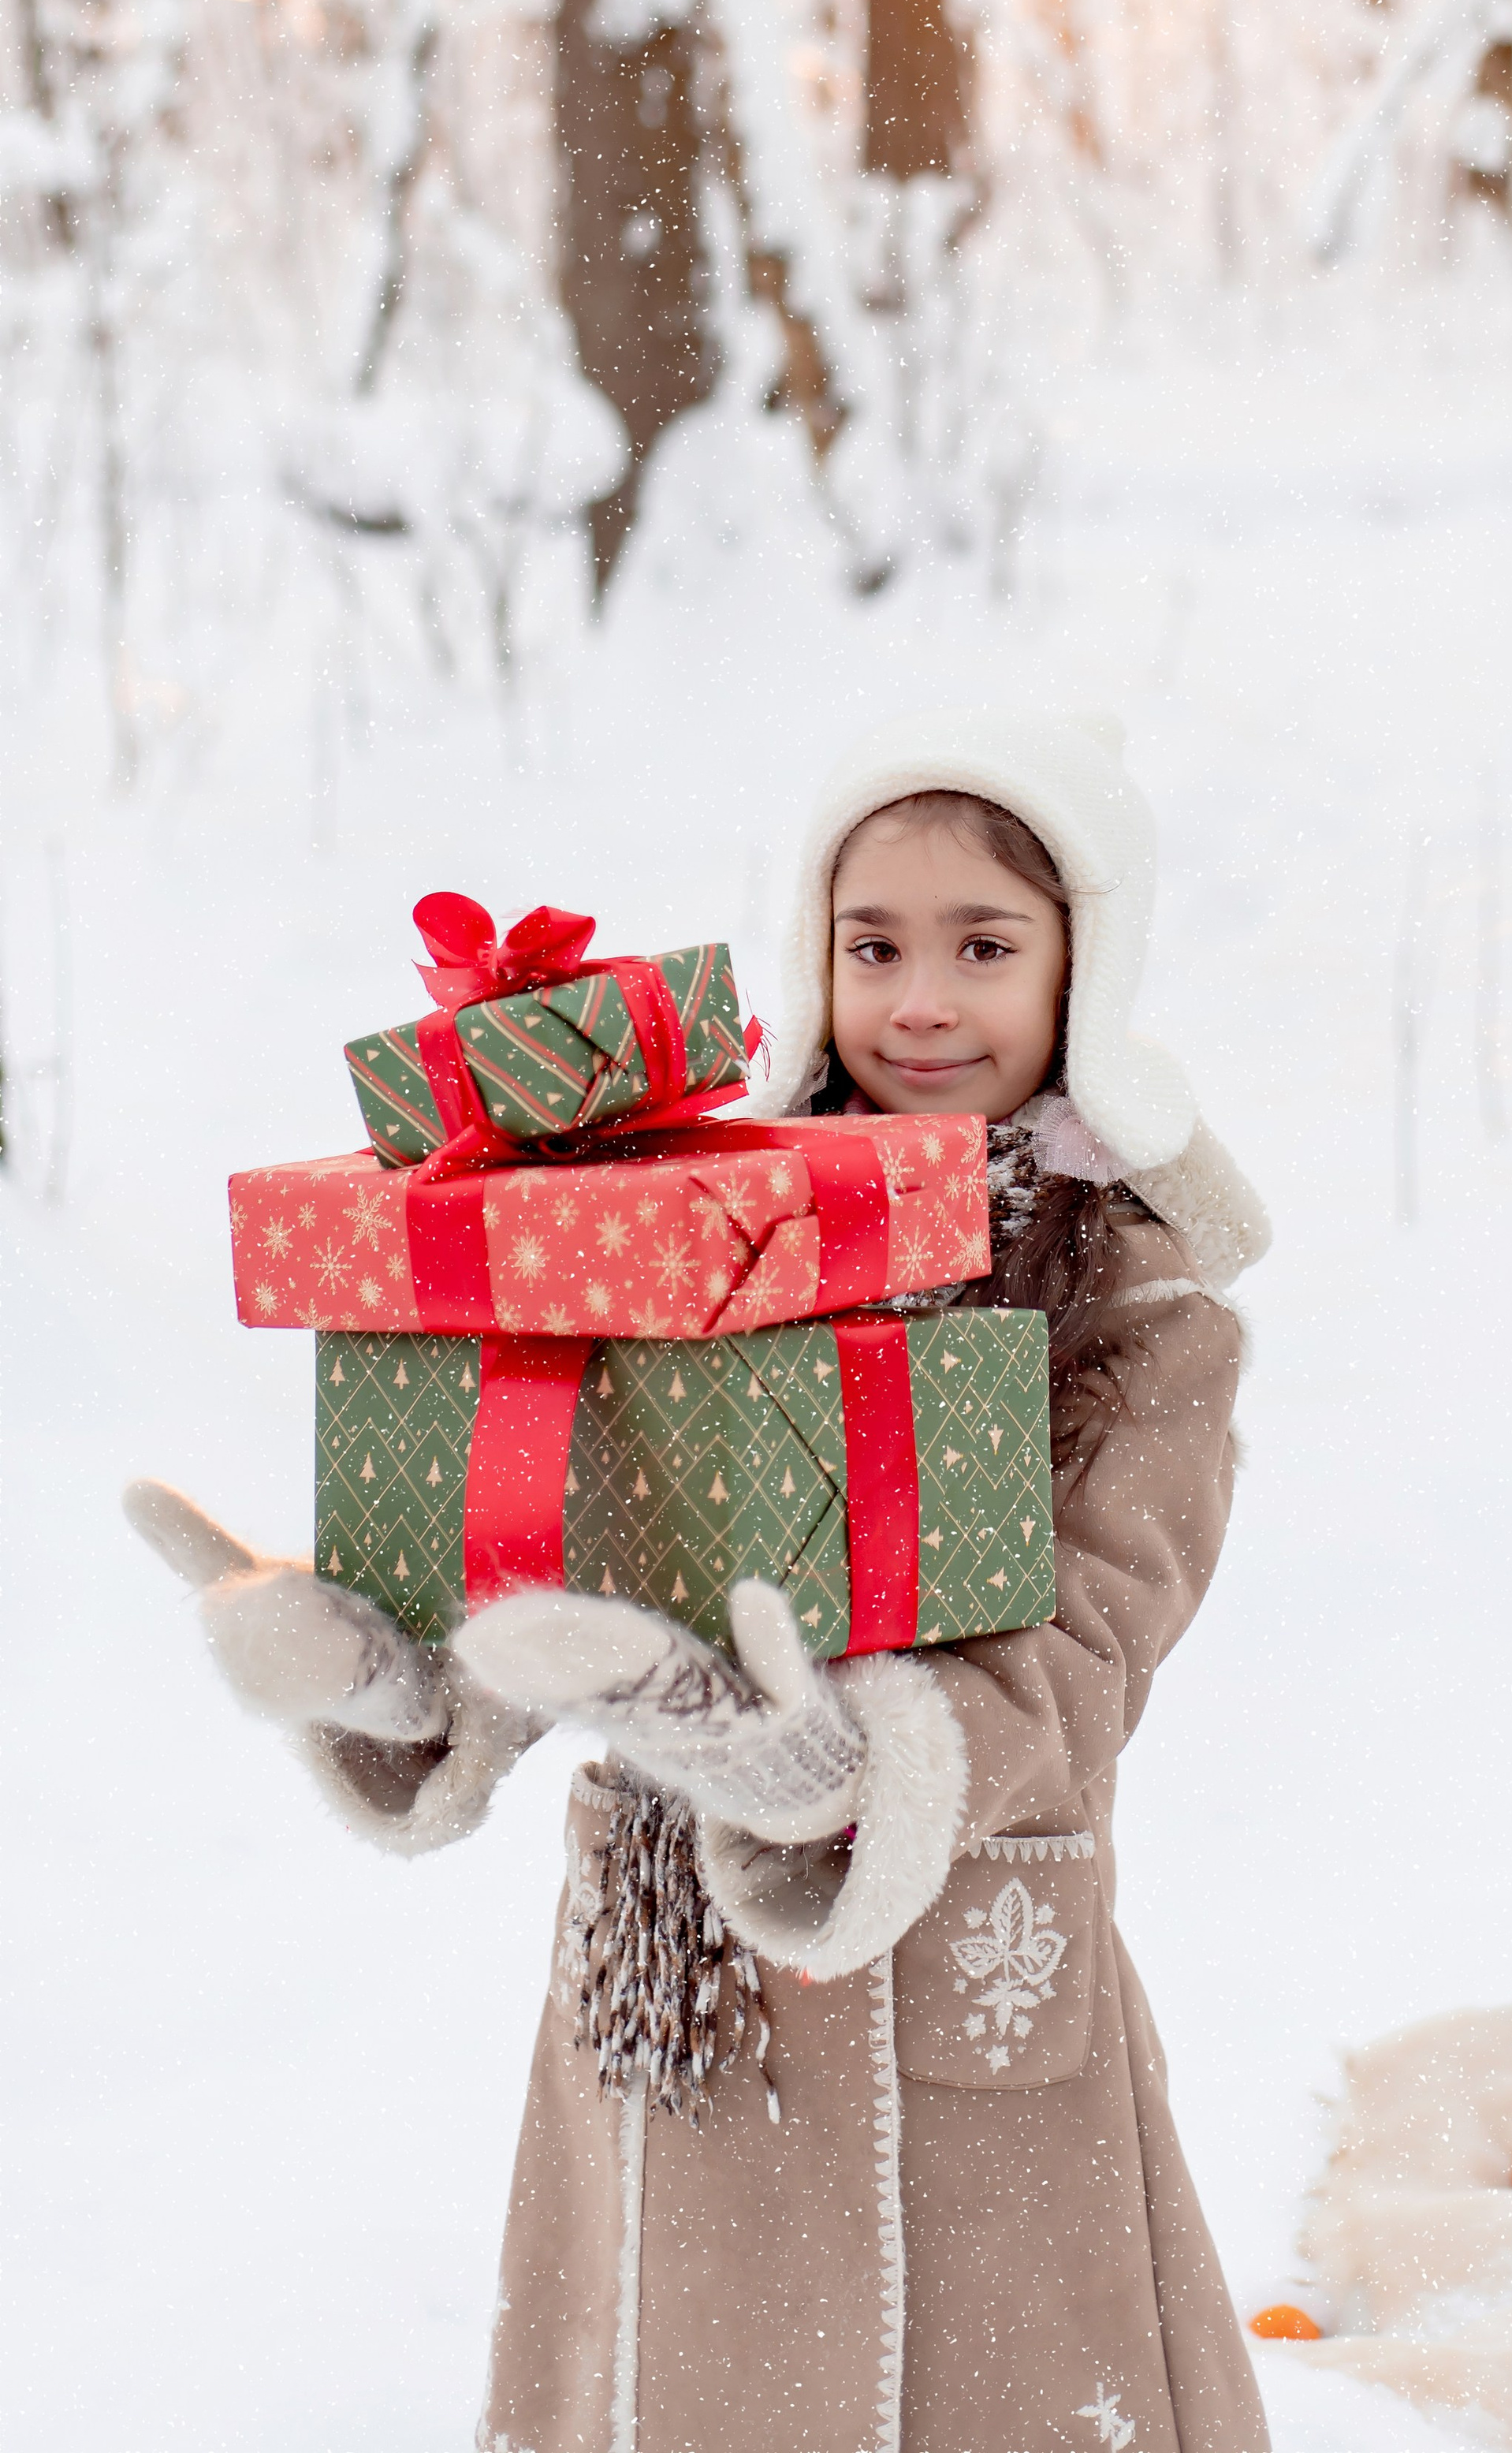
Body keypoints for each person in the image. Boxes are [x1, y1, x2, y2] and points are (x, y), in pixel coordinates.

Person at [127, 708, 1273, 2453]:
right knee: (681, 2381)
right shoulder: (701, 1239)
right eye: (873, 944)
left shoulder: (1140, 1308)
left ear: (1079, 969)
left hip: (954, 1952)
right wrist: (405, 1675)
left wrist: (834, 1769)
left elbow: (1089, 1649)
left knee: (992, 2387)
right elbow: (586, 1550)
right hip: (679, 1985)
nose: (922, 999)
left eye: (984, 945)